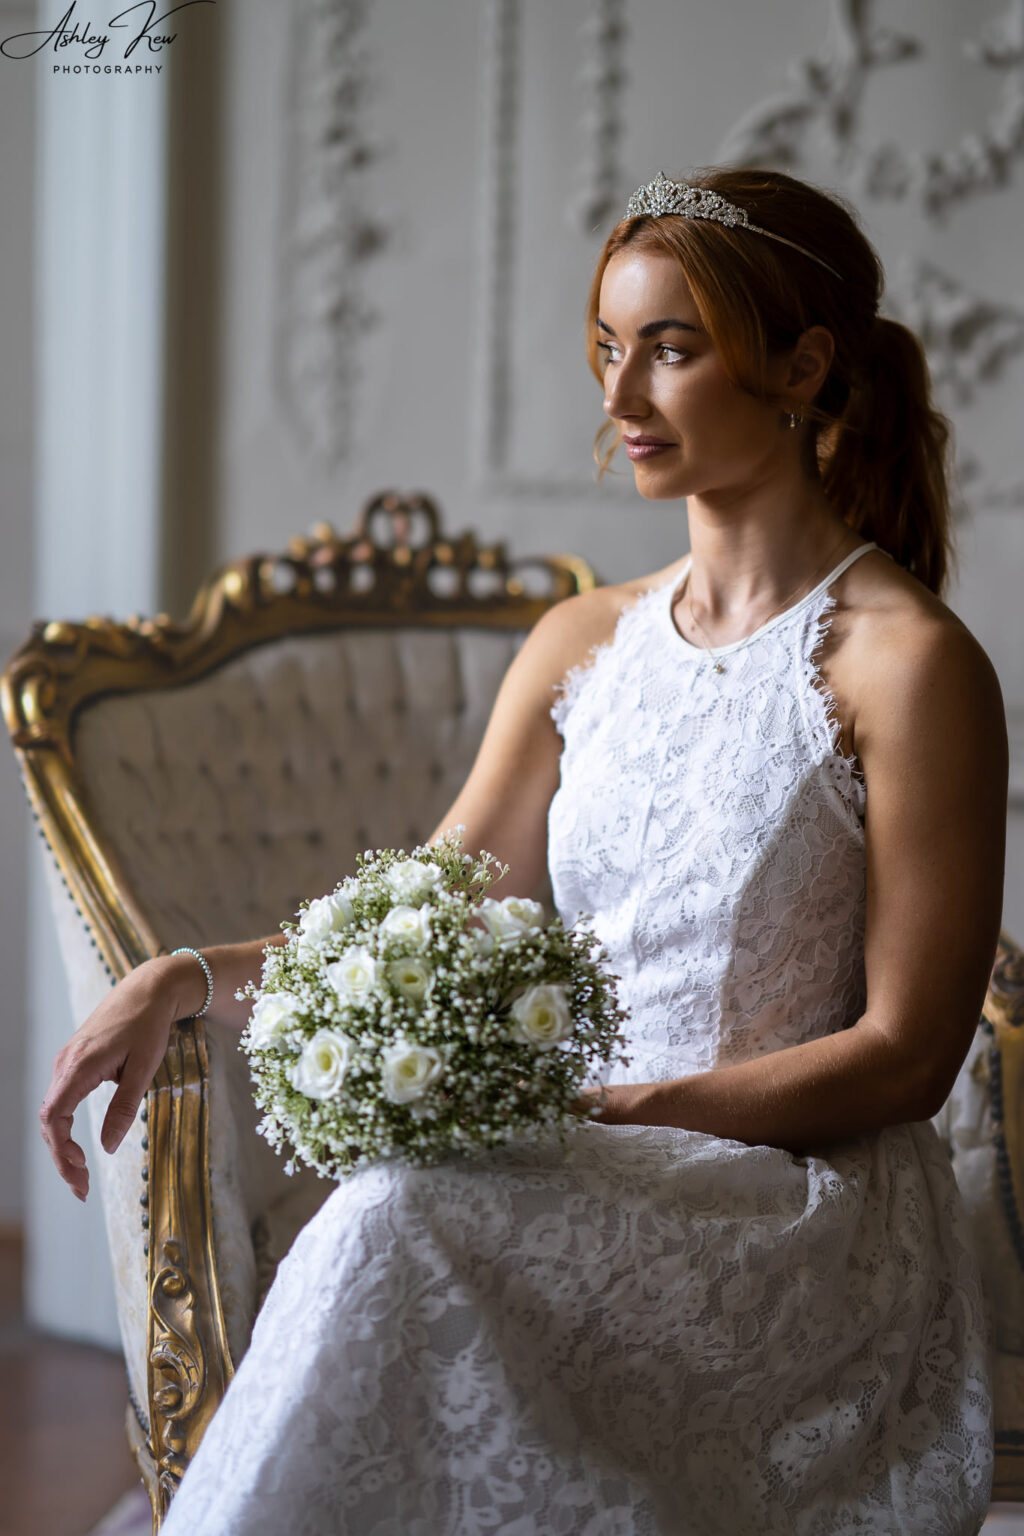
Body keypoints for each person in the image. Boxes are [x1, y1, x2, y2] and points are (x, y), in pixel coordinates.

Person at [40, 166, 1007, 1535]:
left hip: (792, 1217)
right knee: (404, 1210)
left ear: (804, 365)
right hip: (584, 1166)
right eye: (610, 348)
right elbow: (425, 917)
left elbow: (909, 1058)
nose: (618, 403)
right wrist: (185, 977)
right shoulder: (584, 644)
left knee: (400, 1218)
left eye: (671, 349)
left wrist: (622, 1112)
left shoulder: (910, 668)